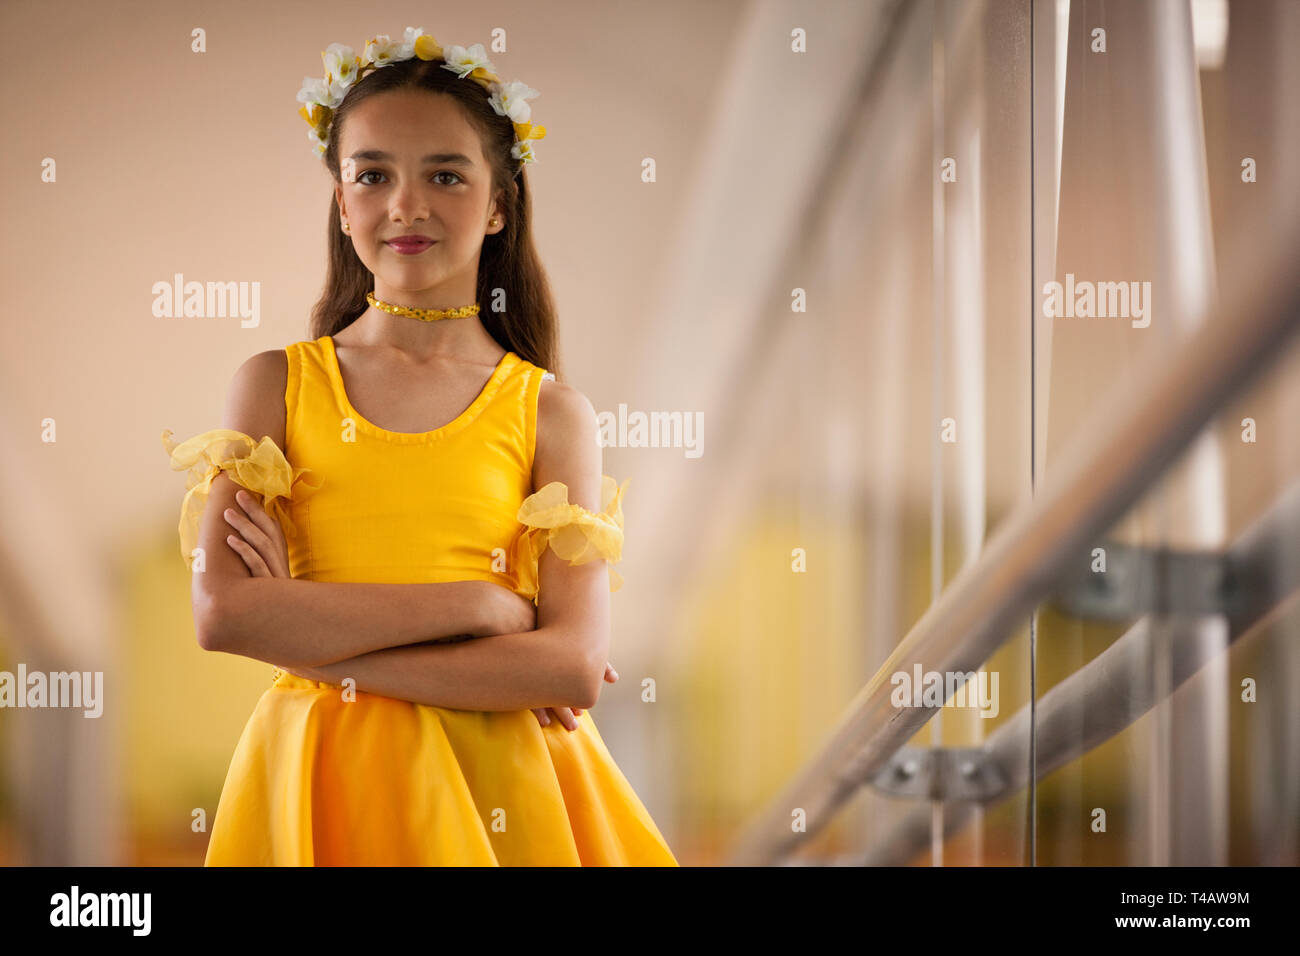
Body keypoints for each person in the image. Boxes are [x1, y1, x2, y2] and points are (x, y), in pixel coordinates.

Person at [161, 27, 678, 865]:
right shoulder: (272, 386)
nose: (405, 204)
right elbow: (225, 614)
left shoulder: (551, 413)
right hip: (321, 785)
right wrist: (479, 613)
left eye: (445, 173)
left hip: (507, 787)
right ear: (341, 201)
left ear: (500, 201)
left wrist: (312, 635)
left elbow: (572, 670)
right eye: (372, 176)